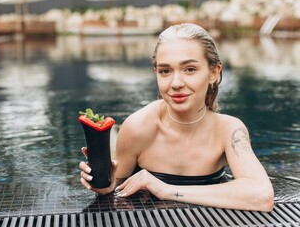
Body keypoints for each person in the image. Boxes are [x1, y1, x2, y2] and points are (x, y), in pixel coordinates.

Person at [79, 23, 274, 212]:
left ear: (214, 72)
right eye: (165, 71)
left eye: (189, 69)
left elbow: (262, 196)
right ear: (156, 73)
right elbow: (113, 192)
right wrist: (103, 184)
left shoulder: (228, 130)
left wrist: (167, 190)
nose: (176, 83)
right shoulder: (139, 127)